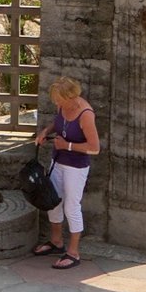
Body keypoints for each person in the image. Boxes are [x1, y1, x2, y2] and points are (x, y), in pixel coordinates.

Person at [28, 77, 98, 269]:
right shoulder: (62, 107)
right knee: (53, 201)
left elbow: (94, 148)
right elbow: (58, 124)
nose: (57, 104)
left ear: (70, 96)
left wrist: (67, 145)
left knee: (71, 206)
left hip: (76, 166)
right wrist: (46, 131)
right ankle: (56, 242)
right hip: (58, 160)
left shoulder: (85, 114)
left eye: (59, 100)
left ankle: (73, 252)